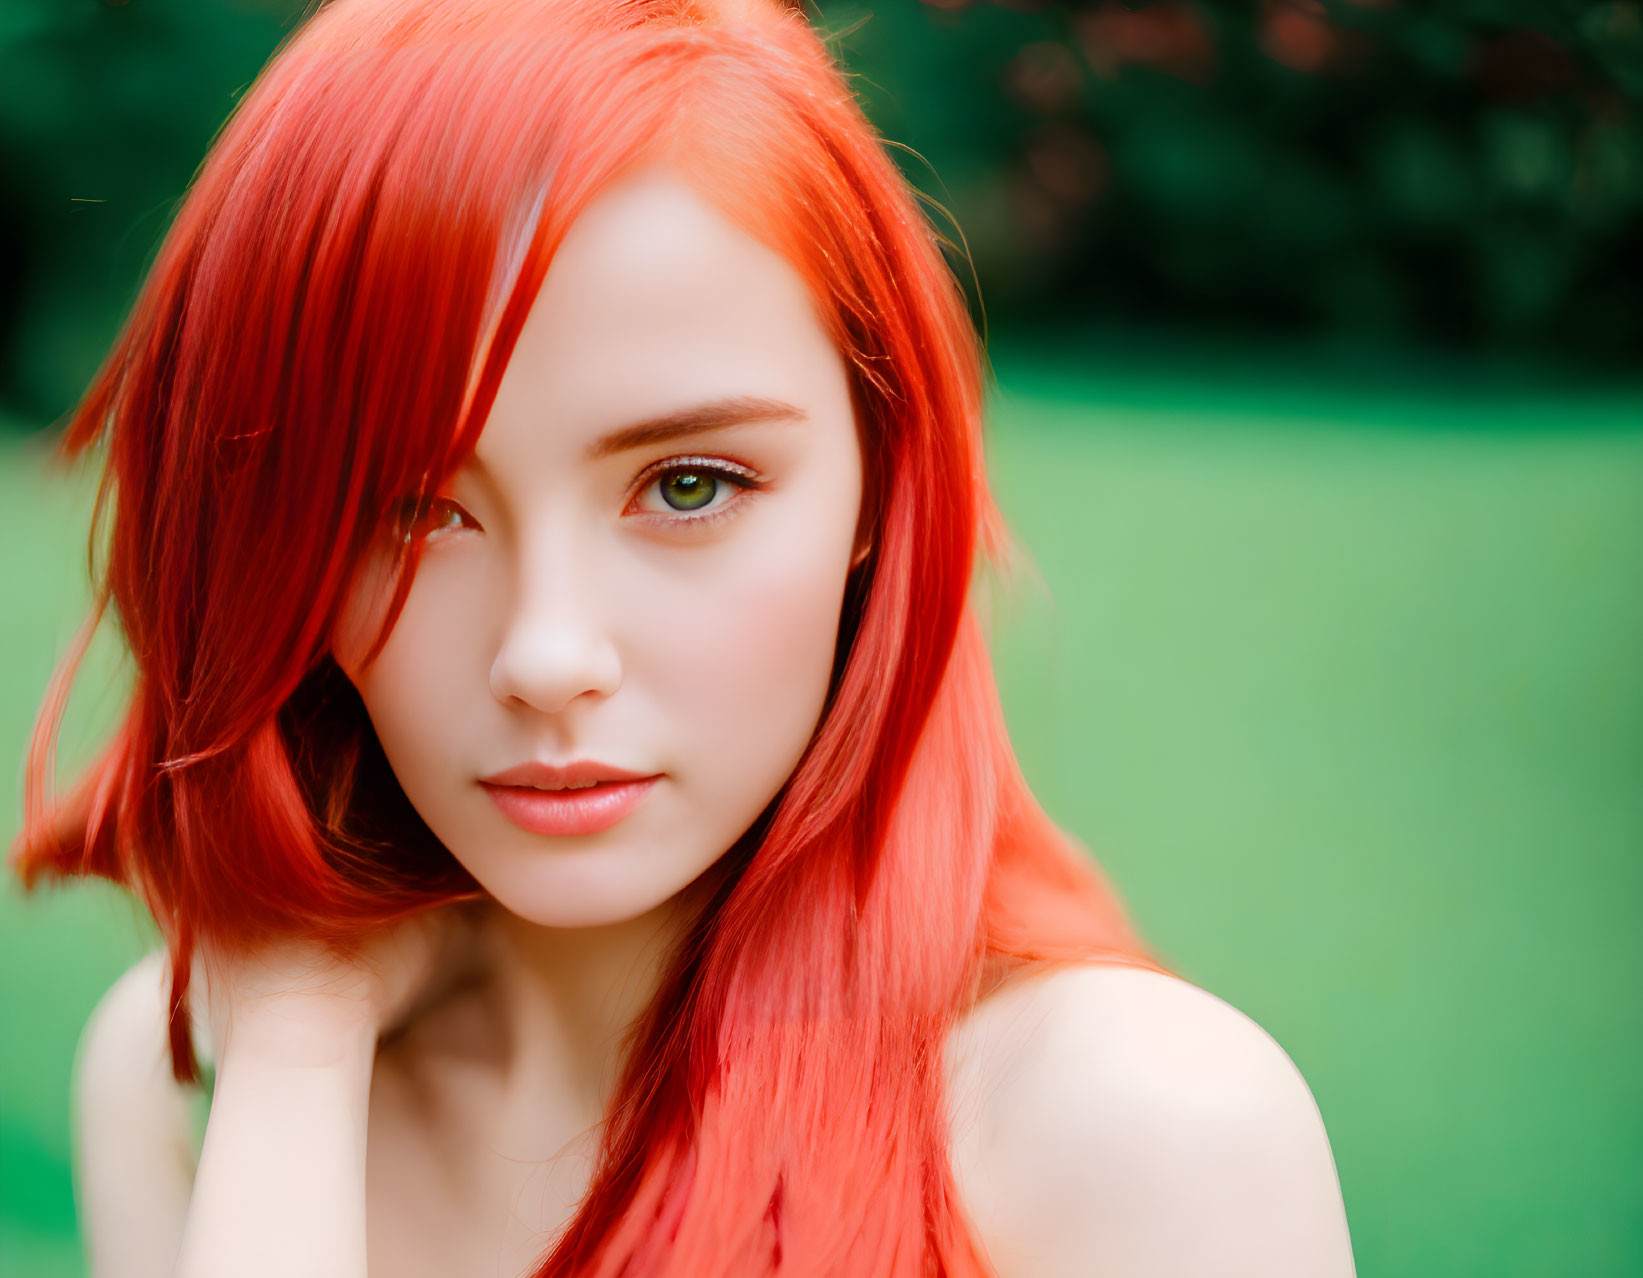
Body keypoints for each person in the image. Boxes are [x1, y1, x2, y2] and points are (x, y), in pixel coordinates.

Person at [10, 1, 1356, 1275]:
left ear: (882, 485)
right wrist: (297, 1051)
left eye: (689, 485)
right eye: (408, 507)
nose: (545, 655)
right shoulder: (187, 1073)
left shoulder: (1142, 1135)